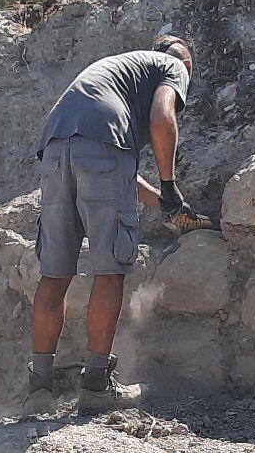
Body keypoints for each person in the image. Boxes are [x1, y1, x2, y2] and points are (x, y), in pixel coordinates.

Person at [29, 35, 199, 412]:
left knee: (54, 275)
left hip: (55, 149)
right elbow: (161, 118)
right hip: (101, 148)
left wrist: (165, 203)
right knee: (110, 270)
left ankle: (38, 389)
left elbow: (110, 167)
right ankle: (95, 385)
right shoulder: (173, 66)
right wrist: (170, 184)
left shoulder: (118, 73)